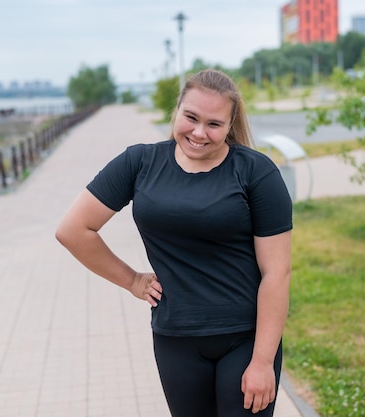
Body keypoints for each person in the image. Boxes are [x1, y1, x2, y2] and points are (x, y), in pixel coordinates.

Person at [55, 69, 292, 417]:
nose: (198, 133)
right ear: (177, 110)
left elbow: (277, 273)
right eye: (191, 117)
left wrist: (262, 362)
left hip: (244, 338)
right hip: (175, 339)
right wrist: (132, 280)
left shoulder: (256, 172)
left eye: (214, 124)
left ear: (230, 126)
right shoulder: (140, 163)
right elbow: (73, 230)